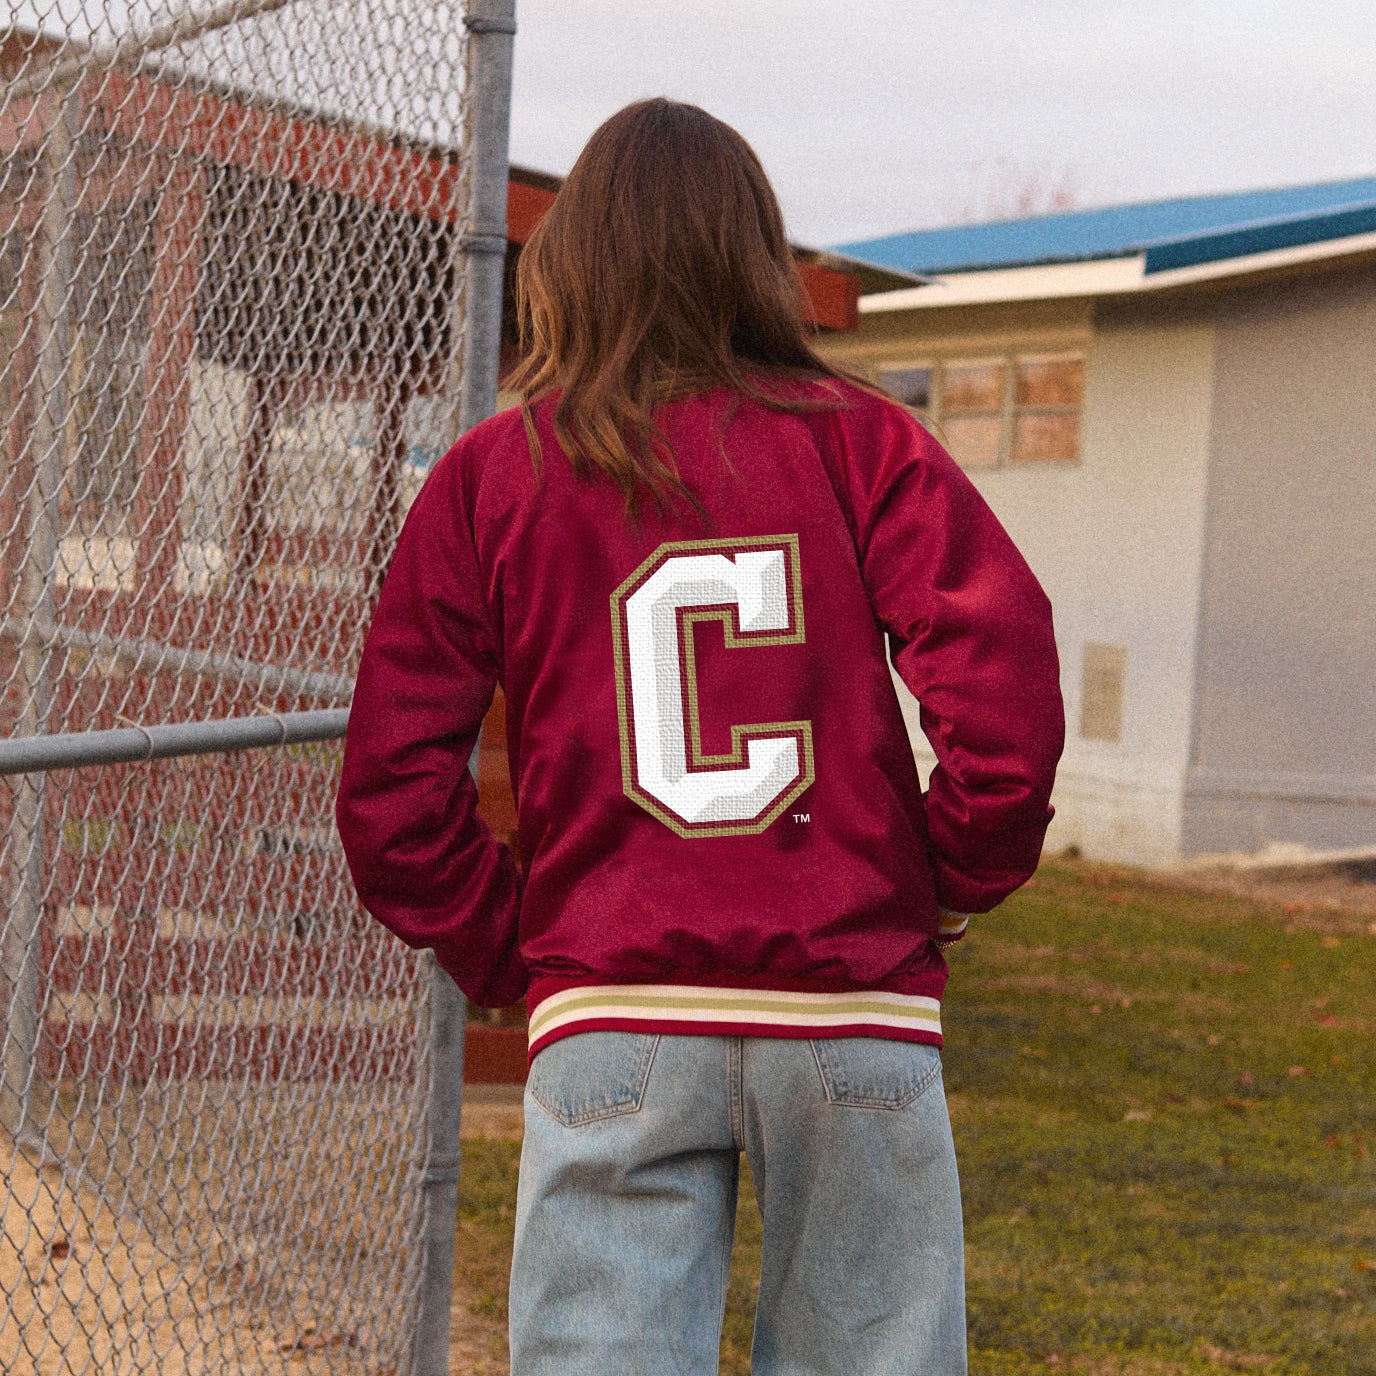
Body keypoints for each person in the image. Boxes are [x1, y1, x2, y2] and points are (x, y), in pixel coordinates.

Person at [335, 98, 1064, 1376]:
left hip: (616, 1002)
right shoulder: (868, 443)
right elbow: (1001, 697)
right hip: (851, 1004)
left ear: (568, 263)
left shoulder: (495, 474)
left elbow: (393, 788)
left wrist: (512, 939)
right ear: (756, 255)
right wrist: (942, 877)